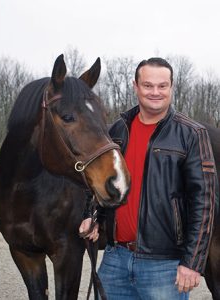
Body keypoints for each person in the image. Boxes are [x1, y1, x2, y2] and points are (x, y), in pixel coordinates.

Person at [79, 57, 219, 300]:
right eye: (148, 85)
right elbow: (100, 183)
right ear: (136, 86)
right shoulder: (116, 131)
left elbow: (204, 202)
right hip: (115, 260)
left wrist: (192, 262)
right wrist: (93, 218)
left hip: (164, 266)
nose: (155, 92)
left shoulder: (192, 134)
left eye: (162, 86)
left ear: (172, 87)